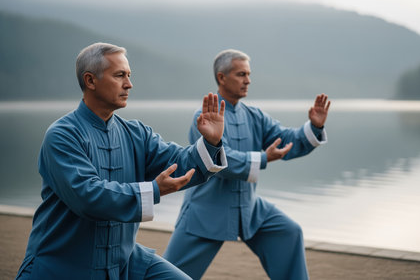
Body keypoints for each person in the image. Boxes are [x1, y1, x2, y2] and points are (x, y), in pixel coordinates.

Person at [16, 42, 228, 280]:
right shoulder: (62, 135)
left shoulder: (137, 133)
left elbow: (179, 164)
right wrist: (153, 190)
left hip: (125, 260)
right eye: (119, 75)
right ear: (90, 81)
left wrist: (210, 143)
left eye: (129, 75)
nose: (129, 84)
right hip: (63, 263)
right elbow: (88, 197)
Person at [164, 49, 330, 279]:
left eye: (249, 74)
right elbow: (221, 160)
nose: (248, 80)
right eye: (241, 74)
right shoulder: (203, 117)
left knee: (289, 232)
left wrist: (314, 128)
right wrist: (263, 158)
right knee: (170, 274)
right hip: (207, 212)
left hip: (249, 207)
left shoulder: (255, 115)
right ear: (222, 77)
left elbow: (285, 140)